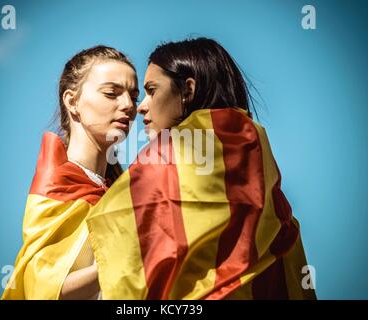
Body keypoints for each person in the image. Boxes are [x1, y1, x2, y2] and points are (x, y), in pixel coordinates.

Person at [85, 38, 317, 299]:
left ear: (188, 90)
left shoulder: (172, 154)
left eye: (151, 90)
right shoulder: (254, 150)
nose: (140, 107)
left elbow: (121, 242)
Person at [1, 45, 139, 300]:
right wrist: (127, 260)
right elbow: (40, 290)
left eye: (134, 96)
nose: (128, 105)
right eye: (112, 93)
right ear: (72, 101)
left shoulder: (124, 192)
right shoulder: (56, 185)